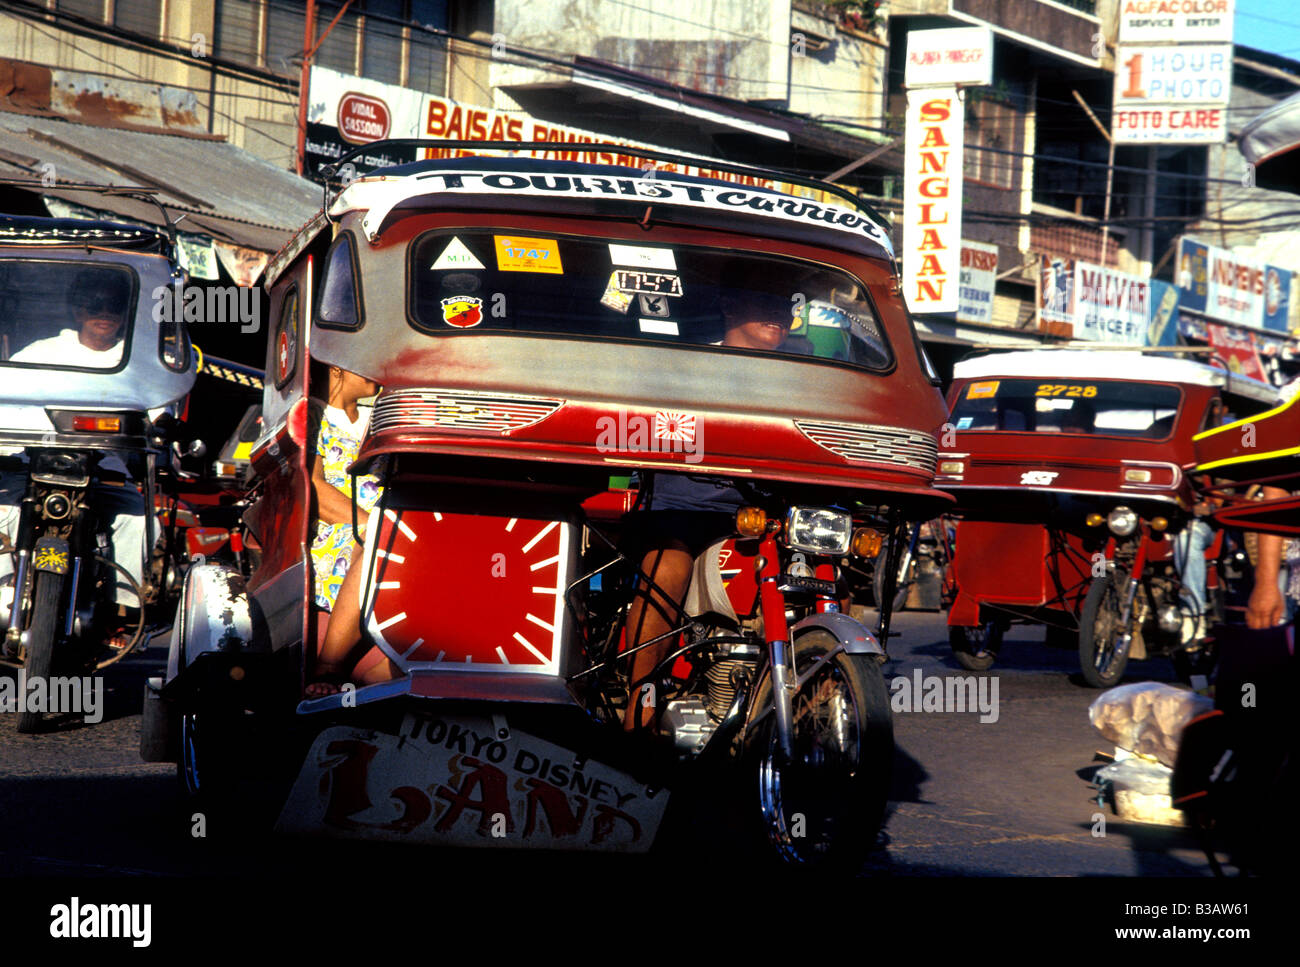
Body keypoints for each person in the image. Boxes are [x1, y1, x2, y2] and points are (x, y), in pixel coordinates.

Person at [622, 281, 794, 731]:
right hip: (688, 505)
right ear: (728, 300)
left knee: (827, 573)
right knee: (668, 569)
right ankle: (638, 710)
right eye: (766, 299)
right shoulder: (689, 364)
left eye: (785, 304)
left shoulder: (803, 375)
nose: (779, 312)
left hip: (767, 511)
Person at [0, 270, 144, 638]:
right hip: (29, 465)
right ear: (77, 310)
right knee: (6, 509)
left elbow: (156, 412)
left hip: (101, 470)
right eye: (93, 304)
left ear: (126, 313)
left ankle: (121, 612)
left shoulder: (138, 362)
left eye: (113, 306)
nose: (103, 313)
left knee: (139, 518)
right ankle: (5, 586)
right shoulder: (40, 353)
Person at [303, 363, 393, 697]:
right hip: (337, 532)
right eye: (364, 362)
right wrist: (371, 525)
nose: (377, 368)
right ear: (338, 368)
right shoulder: (312, 414)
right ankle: (328, 666)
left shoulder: (384, 415)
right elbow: (312, 485)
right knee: (373, 544)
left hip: (389, 524)